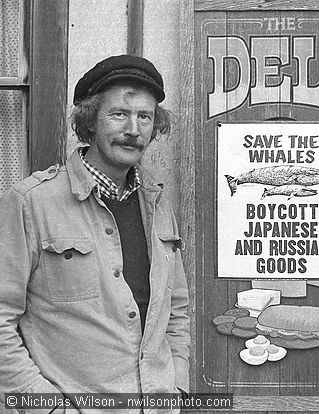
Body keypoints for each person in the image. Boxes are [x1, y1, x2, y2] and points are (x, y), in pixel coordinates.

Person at [0, 55, 190, 412]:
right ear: (89, 121)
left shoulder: (157, 204)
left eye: (144, 117)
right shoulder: (30, 203)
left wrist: (176, 385)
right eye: (119, 114)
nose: (134, 129)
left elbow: (175, 311)